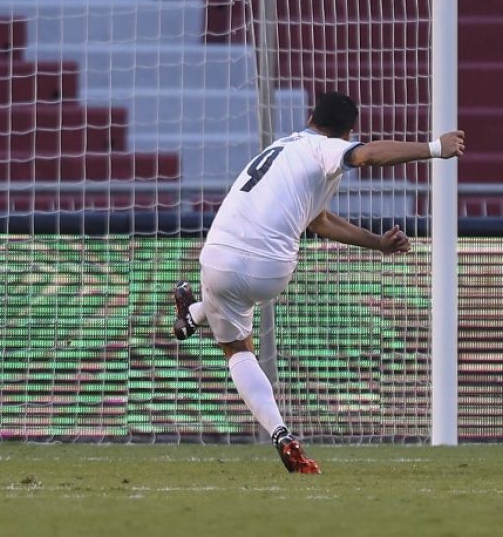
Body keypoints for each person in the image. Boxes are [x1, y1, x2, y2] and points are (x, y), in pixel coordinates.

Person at [172, 92, 464, 474]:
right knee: (233, 306)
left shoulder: (283, 147)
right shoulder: (327, 149)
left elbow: (319, 219)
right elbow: (366, 158)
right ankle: (192, 317)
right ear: (349, 132)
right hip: (271, 270)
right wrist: (434, 148)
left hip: (219, 255)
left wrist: (376, 243)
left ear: (310, 116)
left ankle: (275, 427)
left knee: (237, 351)